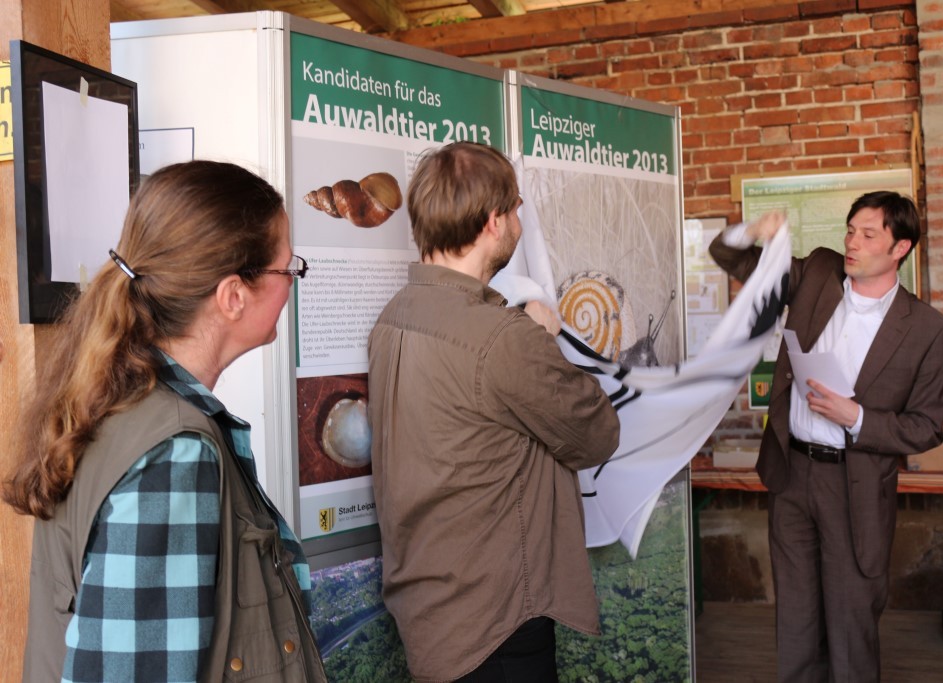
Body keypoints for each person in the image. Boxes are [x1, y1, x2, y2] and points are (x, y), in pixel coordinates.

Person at [3, 161, 327, 683]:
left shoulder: (115, 396)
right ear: (232, 296)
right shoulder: (174, 451)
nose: (292, 284)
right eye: (288, 270)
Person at [367, 141, 621, 682]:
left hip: (430, 609)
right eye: (515, 211)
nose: (519, 225)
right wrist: (542, 338)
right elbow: (597, 434)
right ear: (491, 222)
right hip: (496, 621)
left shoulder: (394, 317)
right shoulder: (505, 339)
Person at [709, 191, 943, 682]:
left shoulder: (929, 329)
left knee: (850, 625)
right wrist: (753, 231)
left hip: (855, 484)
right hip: (792, 476)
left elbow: (926, 427)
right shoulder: (818, 273)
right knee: (796, 624)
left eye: (868, 235)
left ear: (900, 248)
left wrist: (856, 416)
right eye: (850, 230)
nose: (852, 243)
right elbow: (728, 256)